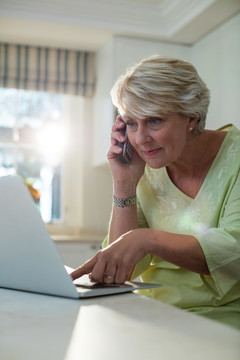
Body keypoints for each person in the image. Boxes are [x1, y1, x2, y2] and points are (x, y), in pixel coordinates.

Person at [71, 55, 240, 330]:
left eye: (155, 121)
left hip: (220, 321)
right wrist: (124, 183)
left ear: (191, 117)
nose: (139, 139)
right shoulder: (147, 166)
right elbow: (120, 270)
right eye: (131, 122)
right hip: (150, 313)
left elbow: (234, 252)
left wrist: (146, 239)